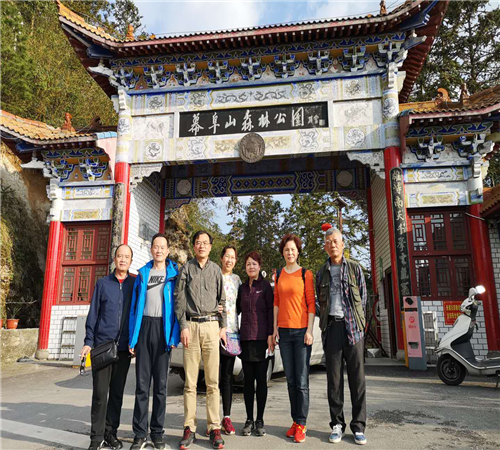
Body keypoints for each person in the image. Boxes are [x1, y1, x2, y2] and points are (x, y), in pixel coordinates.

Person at [175, 231, 227, 450]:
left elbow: (222, 299)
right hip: (192, 327)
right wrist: (183, 326)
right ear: (194, 246)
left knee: (213, 382)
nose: (202, 246)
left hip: (212, 327)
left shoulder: (216, 270)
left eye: (205, 243)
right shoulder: (186, 268)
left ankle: (214, 427)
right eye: (198, 243)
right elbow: (179, 299)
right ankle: (189, 427)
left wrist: (223, 326)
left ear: (210, 247)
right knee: (190, 383)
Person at [316, 227, 367, 446]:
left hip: (353, 328)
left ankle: (358, 426)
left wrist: (360, 326)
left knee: (357, 379)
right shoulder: (322, 272)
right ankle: (337, 424)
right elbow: (319, 302)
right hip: (332, 328)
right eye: (328, 242)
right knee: (334, 381)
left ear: (343, 244)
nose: (332, 245)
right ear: (325, 247)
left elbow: (363, 298)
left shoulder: (355, 269)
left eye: (335, 241)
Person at [128, 233, 180, 450]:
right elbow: (134, 309)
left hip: (163, 330)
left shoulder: (174, 275)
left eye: (162, 247)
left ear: (168, 251)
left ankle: (157, 432)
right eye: (155, 246)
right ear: (151, 249)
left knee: (160, 386)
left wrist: (174, 336)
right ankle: (140, 434)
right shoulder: (143, 273)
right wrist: (133, 338)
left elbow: (178, 308)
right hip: (144, 328)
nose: (159, 250)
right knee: (142, 386)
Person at [81, 244, 134, 450]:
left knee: (117, 394)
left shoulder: (135, 284)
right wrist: (88, 341)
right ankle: (96, 438)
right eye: (120, 256)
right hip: (102, 347)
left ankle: (110, 433)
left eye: (126, 257)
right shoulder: (103, 283)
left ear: (130, 261)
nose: (123, 259)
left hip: (124, 348)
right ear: (114, 259)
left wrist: (135, 341)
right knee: (100, 394)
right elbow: (93, 313)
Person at [272, 233, 316, 444]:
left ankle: (302, 423)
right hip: (284, 332)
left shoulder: (306, 274)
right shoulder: (279, 274)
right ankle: (295, 420)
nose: (290, 252)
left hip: (301, 333)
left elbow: (311, 303)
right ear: (283, 252)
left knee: (301, 380)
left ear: (298, 252)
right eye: (286, 249)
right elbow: (276, 302)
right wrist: (275, 328)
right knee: (290, 380)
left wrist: (310, 330)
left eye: (293, 249)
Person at [237, 252, 274, 437]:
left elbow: (271, 311)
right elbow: (236, 309)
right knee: (248, 383)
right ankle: (249, 420)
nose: (251, 267)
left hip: (261, 340)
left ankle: (260, 420)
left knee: (261, 381)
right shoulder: (242, 288)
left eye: (254, 264)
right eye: (248, 264)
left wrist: (271, 335)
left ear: (259, 266)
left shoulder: (265, 287)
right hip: (246, 340)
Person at [219, 246, 242, 436]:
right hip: (214, 331)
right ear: (221, 258)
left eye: (233, 257)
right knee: (212, 378)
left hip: (232, 333)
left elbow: (240, 307)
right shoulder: (214, 276)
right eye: (227, 256)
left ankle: (226, 417)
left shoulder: (237, 280)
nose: (229, 260)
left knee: (227, 377)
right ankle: (211, 419)